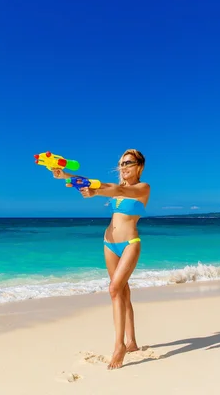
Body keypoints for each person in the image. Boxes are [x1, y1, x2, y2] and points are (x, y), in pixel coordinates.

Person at [52, 149, 150, 370]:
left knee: (115, 289)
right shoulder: (116, 190)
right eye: (121, 164)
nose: (123, 167)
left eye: (128, 163)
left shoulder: (142, 188)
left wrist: (95, 190)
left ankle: (119, 346)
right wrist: (66, 175)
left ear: (139, 166)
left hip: (130, 244)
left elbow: (112, 188)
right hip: (108, 243)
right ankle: (132, 341)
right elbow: (105, 186)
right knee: (123, 291)